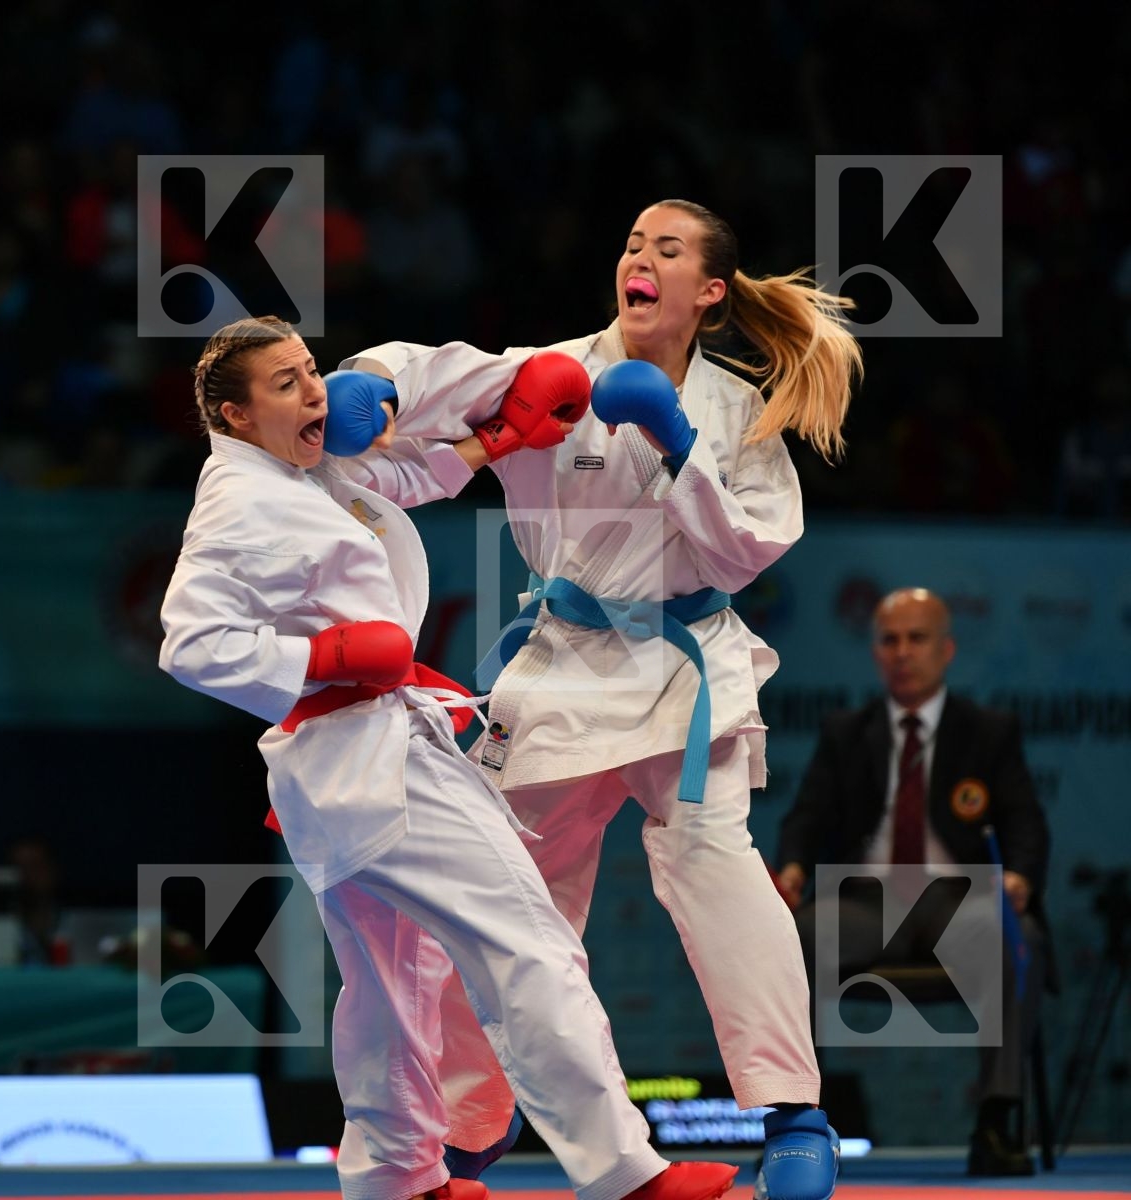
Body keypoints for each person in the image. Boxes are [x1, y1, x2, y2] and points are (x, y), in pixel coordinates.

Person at [331, 199, 863, 1200]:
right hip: (563, 671)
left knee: (718, 872)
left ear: (708, 290)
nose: (639, 258)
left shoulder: (736, 413)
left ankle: (795, 1115)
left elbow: (745, 550)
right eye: (630, 243)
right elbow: (433, 374)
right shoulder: (554, 373)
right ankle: (469, 1126)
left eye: (667, 249)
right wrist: (361, 385)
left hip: (685, 663)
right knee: (502, 909)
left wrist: (675, 444)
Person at [159, 315, 737, 1200]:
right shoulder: (240, 503)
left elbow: (389, 479)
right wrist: (320, 662)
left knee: (391, 983)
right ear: (234, 416)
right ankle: (625, 1173)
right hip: (375, 756)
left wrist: (495, 440)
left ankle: (396, 1178)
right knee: (528, 943)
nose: (314, 388)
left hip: (338, 774)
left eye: (310, 369)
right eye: (286, 383)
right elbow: (190, 644)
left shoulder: (295, 473)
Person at [776, 588, 1051, 1177]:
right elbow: (807, 816)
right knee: (792, 936)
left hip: (962, 902)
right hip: (864, 903)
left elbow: (1026, 821)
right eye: (890, 640)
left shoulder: (988, 731)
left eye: (917, 638)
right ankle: (797, 1128)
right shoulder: (846, 731)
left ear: (947, 649)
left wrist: (1021, 877)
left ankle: (998, 1122)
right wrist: (793, 868)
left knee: (1013, 930)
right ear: (875, 652)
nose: (902, 652)